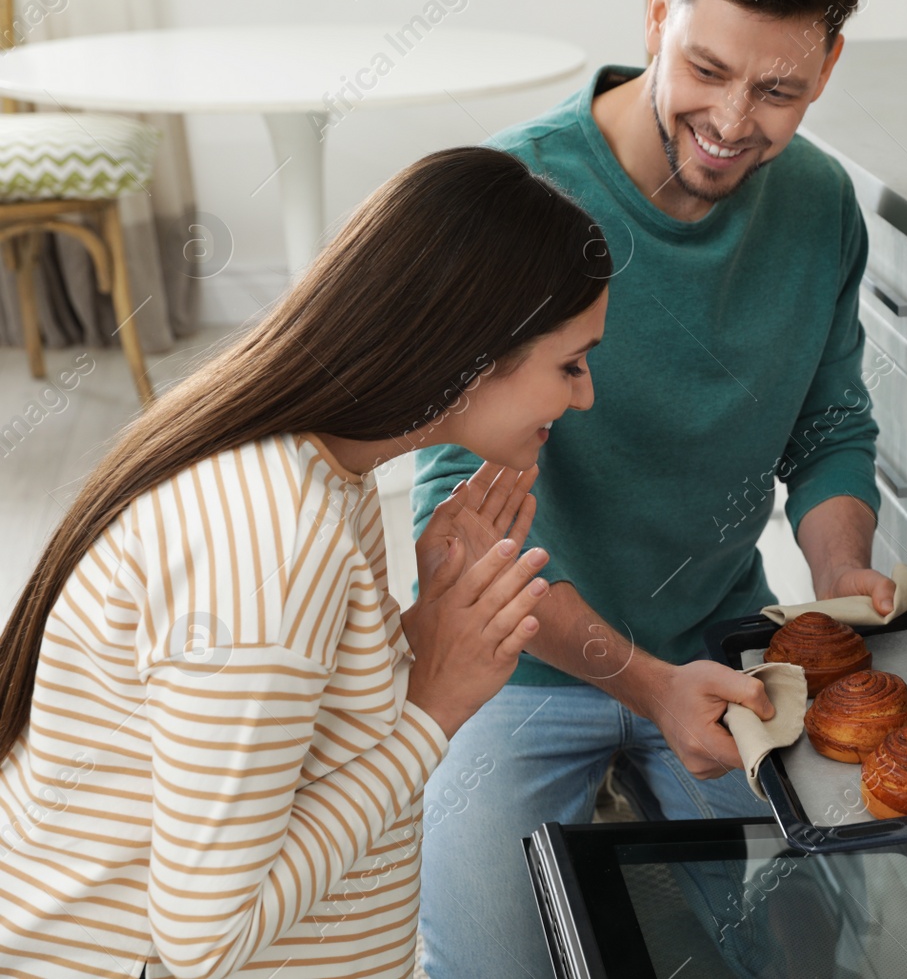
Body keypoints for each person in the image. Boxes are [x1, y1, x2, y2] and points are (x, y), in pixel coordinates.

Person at [411, 0, 894, 974]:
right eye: (706, 68)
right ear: (658, 10)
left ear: (827, 65)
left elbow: (829, 423)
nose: (730, 121)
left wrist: (840, 572)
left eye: (778, 92)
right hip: (518, 656)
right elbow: (459, 535)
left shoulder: (818, 205)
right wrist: (641, 682)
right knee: (496, 961)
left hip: (719, 638)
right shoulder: (519, 199)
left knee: (798, 948)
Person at [0, 146, 609, 978]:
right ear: (474, 352)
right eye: (570, 363)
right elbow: (204, 942)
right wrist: (432, 709)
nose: (585, 396)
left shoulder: (326, 465)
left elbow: (281, 731)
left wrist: (417, 634)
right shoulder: (275, 540)